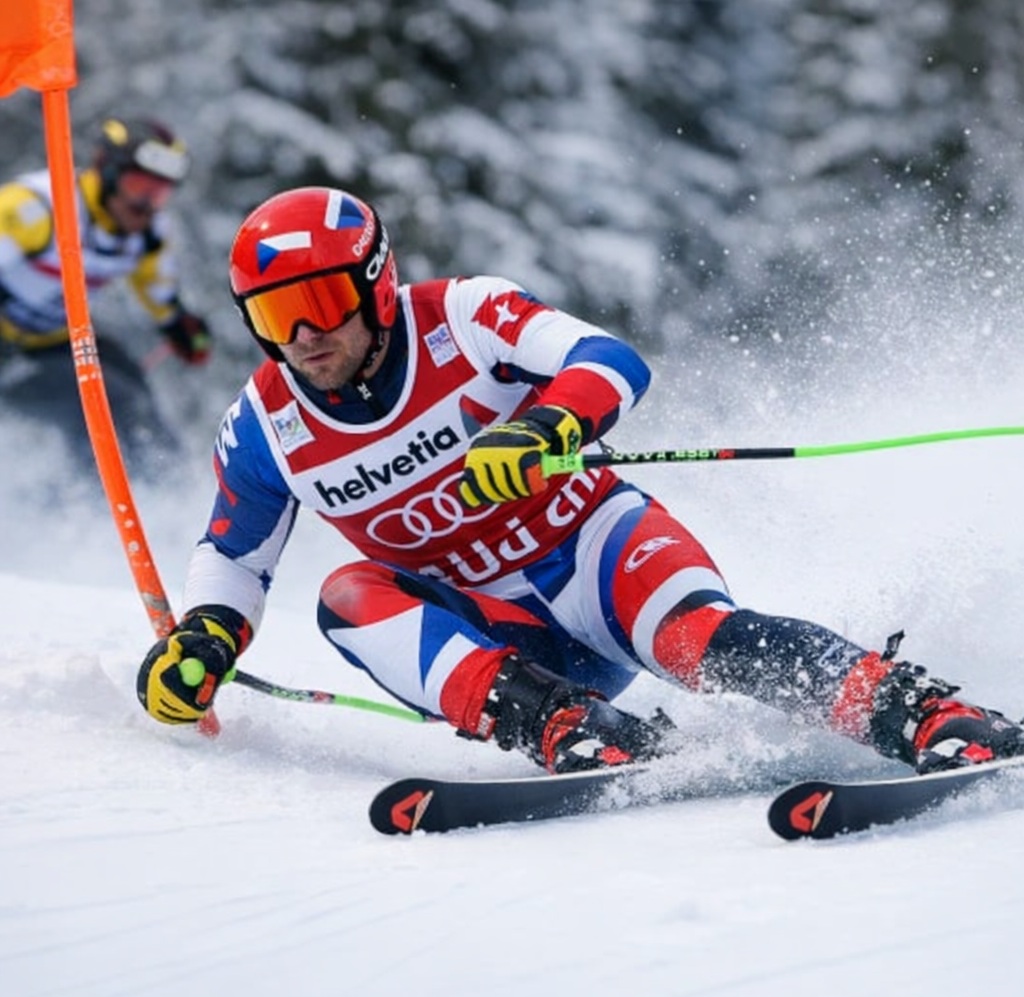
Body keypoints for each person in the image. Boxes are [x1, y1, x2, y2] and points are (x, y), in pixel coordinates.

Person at [137, 185, 1024, 778]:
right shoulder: (267, 424)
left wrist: (544, 424)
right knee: (346, 594)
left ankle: (922, 713)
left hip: (597, 555)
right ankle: (569, 731)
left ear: (376, 284)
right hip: (498, 632)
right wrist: (205, 639)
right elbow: (234, 555)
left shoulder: (463, 316)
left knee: (695, 642)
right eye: (273, 316)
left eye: (321, 304)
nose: (302, 337)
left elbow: (607, 358)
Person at [0, 116, 212, 473]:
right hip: (9, 353)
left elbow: (156, 287)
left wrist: (179, 324)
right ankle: (92, 506)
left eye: (159, 193)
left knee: (135, 385)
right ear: (108, 172)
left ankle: (176, 488)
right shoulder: (39, 208)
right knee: (112, 403)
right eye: (138, 186)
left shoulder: (146, 232)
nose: (146, 204)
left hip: (55, 341)